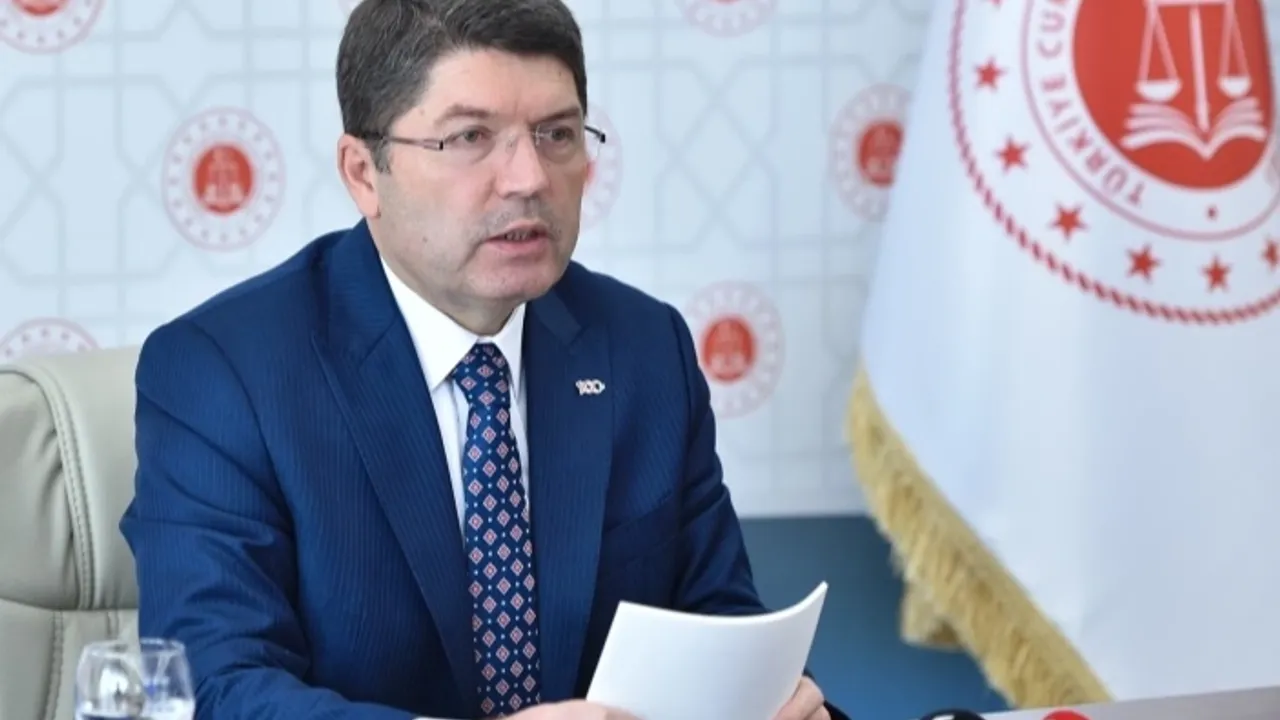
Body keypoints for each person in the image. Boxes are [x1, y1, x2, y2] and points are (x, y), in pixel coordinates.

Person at [119, 1, 848, 718]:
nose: (528, 177)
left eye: (556, 134)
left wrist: (773, 702)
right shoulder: (225, 374)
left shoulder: (643, 348)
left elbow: (720, 623)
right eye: (471, 137)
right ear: (364, 173)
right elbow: (216, 687)